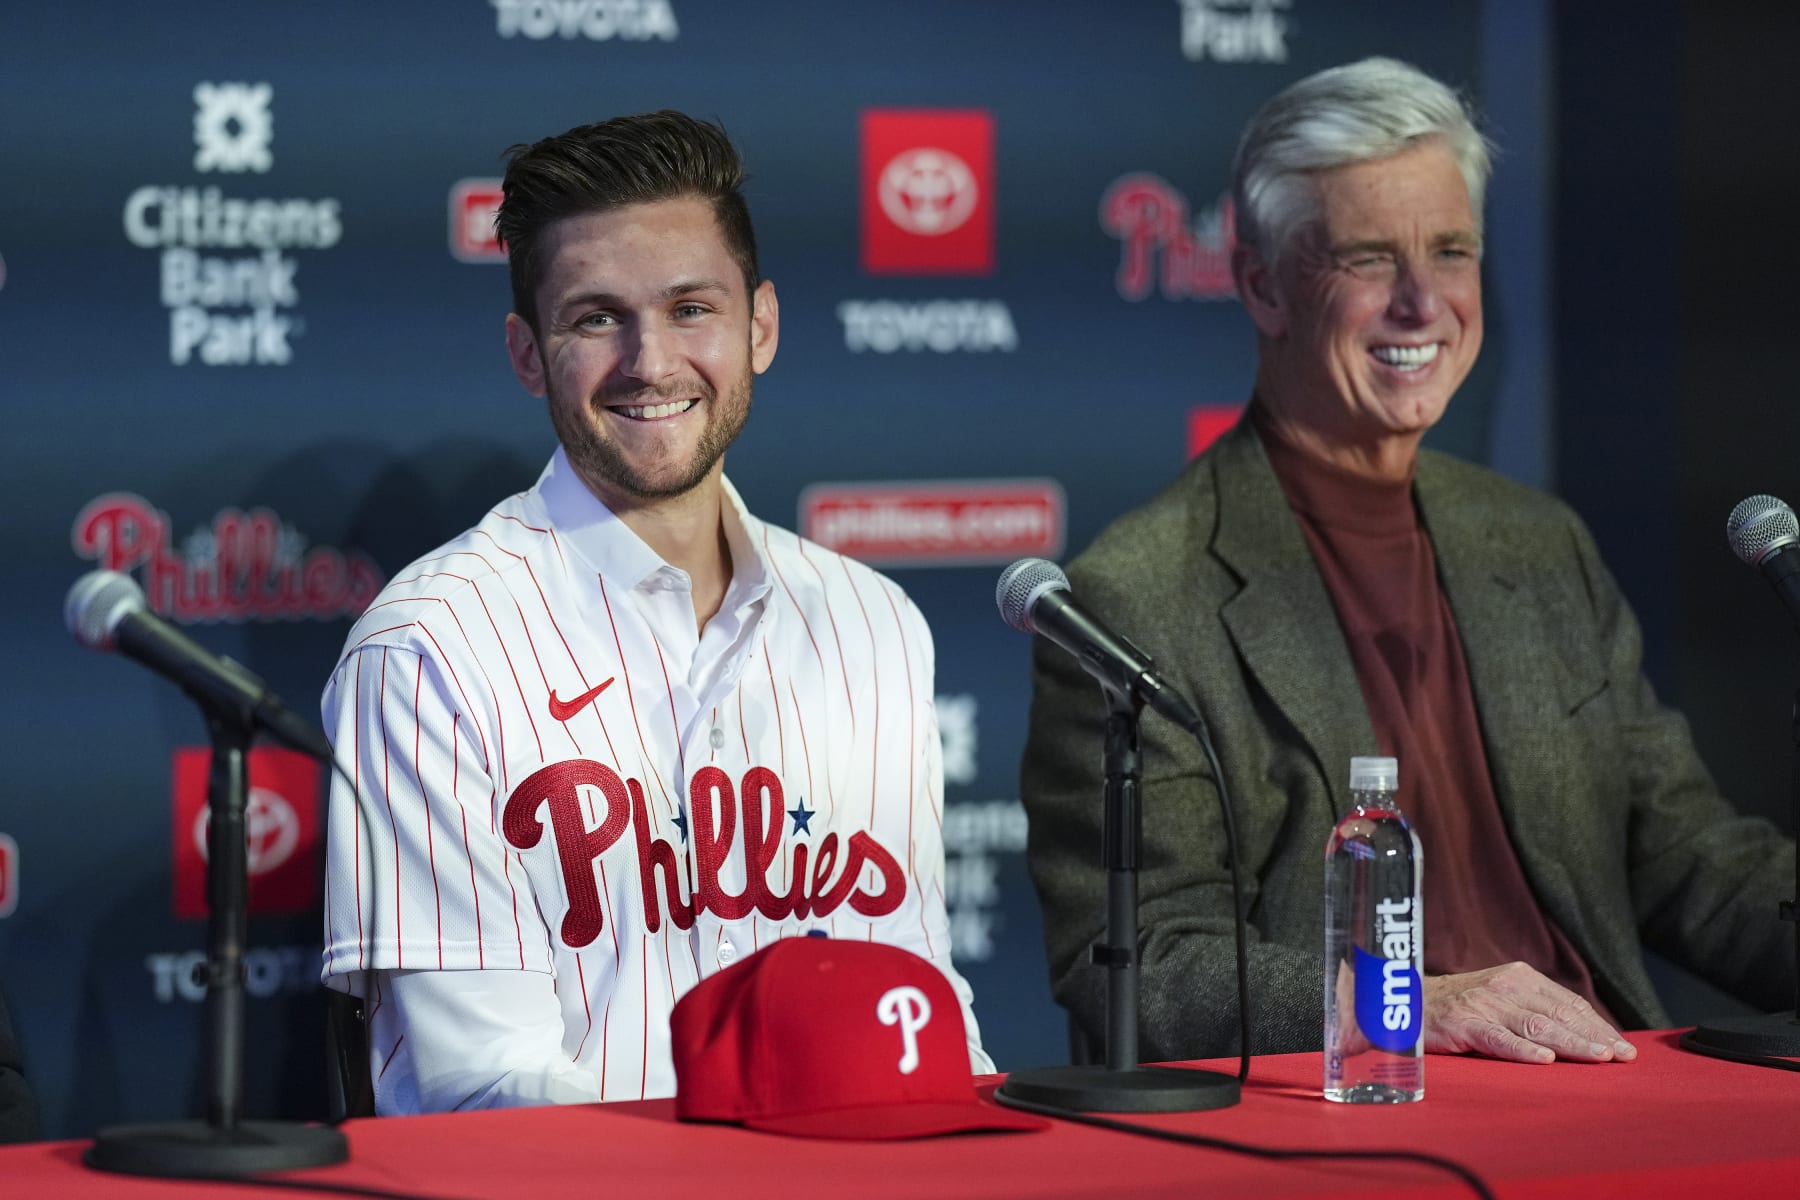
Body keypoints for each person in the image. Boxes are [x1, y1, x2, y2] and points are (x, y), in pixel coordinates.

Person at [1021, 58, 1796, 1067]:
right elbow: (1145, 961)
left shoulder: (1533, 539)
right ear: (1263, 285)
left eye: (1453, 250)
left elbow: (1685, 853)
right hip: (1367, 1116)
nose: (1423, 301)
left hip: (1607, 1077)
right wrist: (1413, 1002)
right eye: (1369, 258)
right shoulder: (1138, 593)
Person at [321, 111, 993, 1113]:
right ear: (526, 353)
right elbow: (480, 1090)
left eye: (691, 308)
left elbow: (915, 1005)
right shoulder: (430, 648)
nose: (650, 360)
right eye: (596, 318)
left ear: (759, 326)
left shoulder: (873, 624)